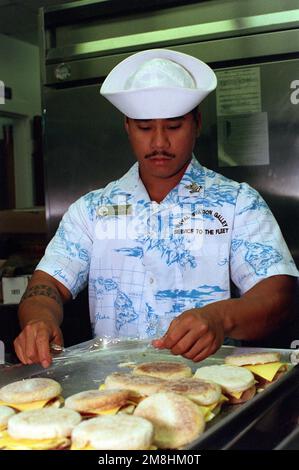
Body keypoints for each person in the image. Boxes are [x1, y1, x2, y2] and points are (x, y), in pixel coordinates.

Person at [14, 49, 298, 368]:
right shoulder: (92, 210)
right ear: (127, 126)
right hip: (112, 390)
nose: (160, 143)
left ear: (196, 123)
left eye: (174, 127)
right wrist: (38, 321)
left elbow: (280, 295)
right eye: (145, 128)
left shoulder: (237, 203)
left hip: (213, 388)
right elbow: (47, 284)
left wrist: (221, 318)